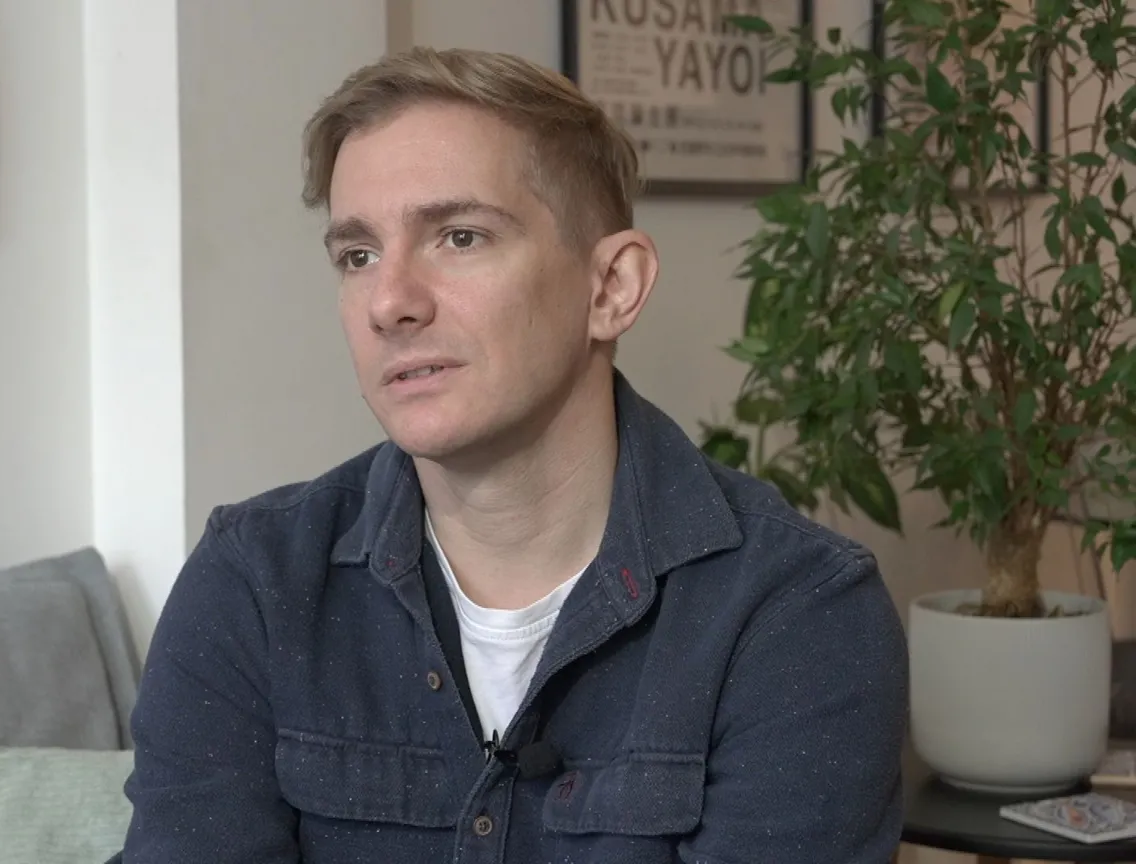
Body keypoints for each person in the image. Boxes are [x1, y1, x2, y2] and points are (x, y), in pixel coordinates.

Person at [116, 46, 907, 863]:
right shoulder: (256, 582)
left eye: (459, 237)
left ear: (612, 289)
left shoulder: (797, 612)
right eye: (357, 255)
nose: (389, 302)